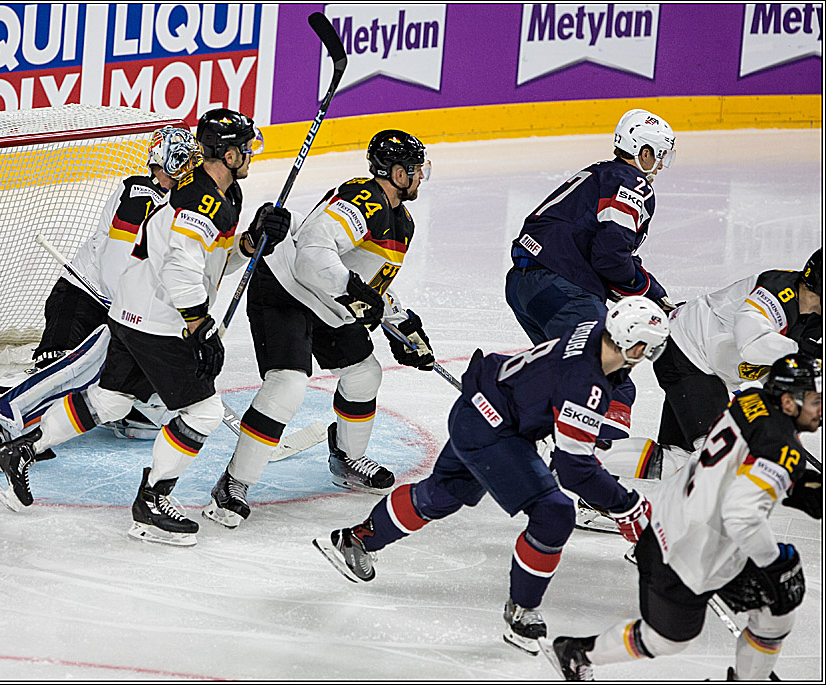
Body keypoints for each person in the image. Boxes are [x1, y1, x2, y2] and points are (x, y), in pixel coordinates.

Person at [0, 109, 292, 548]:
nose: (251, 154)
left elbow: (211, 261)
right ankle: (152, 503)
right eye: (246, 147)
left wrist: (250, 242)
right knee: (202, 413)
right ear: (229, 153)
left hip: (132, 310)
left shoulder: (225, 194)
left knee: (110, 401)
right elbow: (180, 267)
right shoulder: (201, 199)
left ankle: (22, 449)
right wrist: (199, 323)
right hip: (159, 319)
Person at [313, 296, 671, 656]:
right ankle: (522, 611)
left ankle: (356, 540)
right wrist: (626, 504)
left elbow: (553, 394)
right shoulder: (586, 382)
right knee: (554, 512)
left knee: (443, 493)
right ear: (633, 344)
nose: (649, 355)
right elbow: (574, 469)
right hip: (493, 429)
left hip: (480, 406)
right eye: (649, 348)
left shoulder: (593, 332)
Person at [201, 130, 436, 530]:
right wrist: (351, 291)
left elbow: (368, 281)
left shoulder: (402, 221)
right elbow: (311, 254)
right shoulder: (363, 199)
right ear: (398, 174)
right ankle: (233, 483)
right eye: (416, 170)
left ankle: (347, 459)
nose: (420, 177)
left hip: (327, 300)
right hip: (286, 288)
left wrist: (402, 326)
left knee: (364, 374)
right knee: (287, 386)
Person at [541, 353, 822, 682]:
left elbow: (746, 458)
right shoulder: (781, 450)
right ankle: (576, 653)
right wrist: (773, 565)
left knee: (776, 614)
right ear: (788, 402)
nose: (821, 409)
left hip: (677, 519)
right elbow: (742, 515)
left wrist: (795, 482)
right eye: (816, 401)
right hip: (685, 553)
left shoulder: (751, 401)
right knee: (668, 639)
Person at [0, 126, 200, 467]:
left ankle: (131, 410)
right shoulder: (139, 195)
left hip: (125, 312)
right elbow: (114, 268)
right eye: (184, 162)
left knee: (147, 397)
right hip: (85, 300)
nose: (190, 170)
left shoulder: (179, 207)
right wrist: (135, 317)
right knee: (60, 373)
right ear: (165, 162)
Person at [506, 109, 678, 444]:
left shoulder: (600, 173)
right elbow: (610, 258)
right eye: (659, 156)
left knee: (567, 374)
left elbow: (605, 250)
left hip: (525, 286)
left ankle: (531, 448)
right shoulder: (632, 184)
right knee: (610, 378)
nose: (660, 166)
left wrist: (649, 289)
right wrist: (647, 291)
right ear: (644, 153)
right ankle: (598, 465)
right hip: (561, 288)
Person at [654, 248, 822, 460]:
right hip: (687, 351)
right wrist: (801, 352)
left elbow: (779, 369)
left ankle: (615, 459)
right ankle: (609, 459)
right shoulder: (774, 292)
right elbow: (751, 344)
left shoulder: (814, 320)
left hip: (708, 368)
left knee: (677, 457)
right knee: (720, 454)